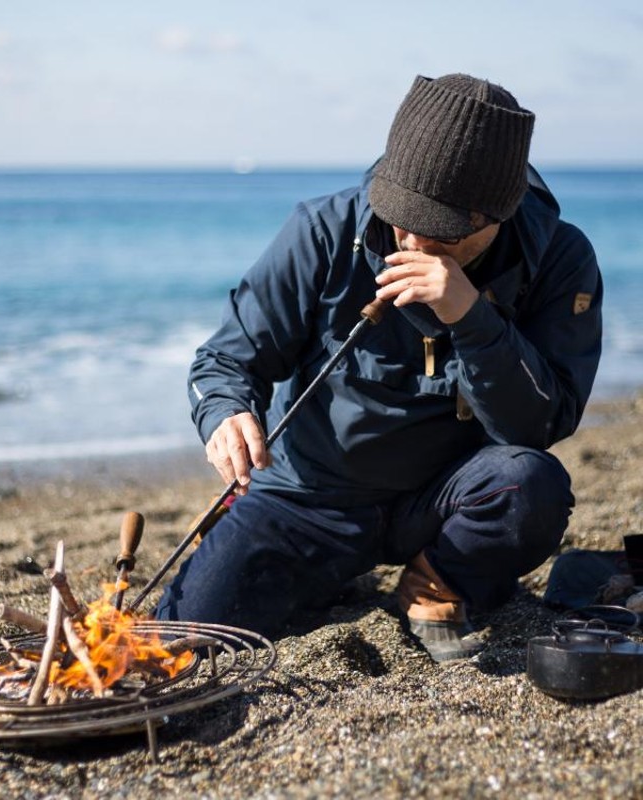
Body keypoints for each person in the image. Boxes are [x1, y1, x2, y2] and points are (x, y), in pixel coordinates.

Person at [155, 73, 603, 662]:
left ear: (497, 213)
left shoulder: (561, 259)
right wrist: (226, 410)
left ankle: (434, 581)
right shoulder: (323, 229)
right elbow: (226, 357)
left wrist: (470, 316)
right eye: (400, 212)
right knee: (181, 640)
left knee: (531, 485)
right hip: (307, 497)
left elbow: (540, 427)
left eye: (437, 225)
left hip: (444, 501)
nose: (411, 238)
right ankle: (321, 574)